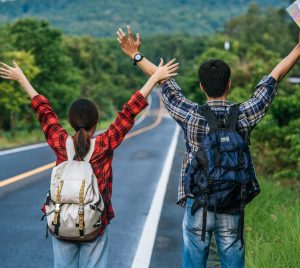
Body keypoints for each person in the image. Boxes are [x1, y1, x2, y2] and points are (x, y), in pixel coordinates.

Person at [116, 25, 300, 268]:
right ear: (229, 84)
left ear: (202, 86)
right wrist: (298, 48)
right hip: (233, 203)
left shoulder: (191, 115)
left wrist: (136, 55)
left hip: (198, 204)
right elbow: (272, 80)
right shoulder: (244, 114)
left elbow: (164, 83)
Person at [0, 57, 178, 268]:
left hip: (62, 221)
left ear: (71, 122)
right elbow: (128, 112)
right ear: (95, 123)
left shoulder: (60, 143)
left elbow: (44, 111)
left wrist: (22, 78)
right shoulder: (103, 145)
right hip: (95, 224)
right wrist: (155, 76)